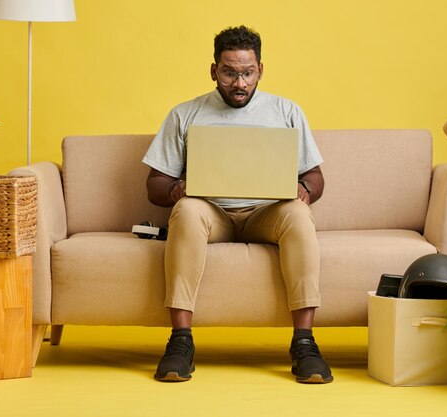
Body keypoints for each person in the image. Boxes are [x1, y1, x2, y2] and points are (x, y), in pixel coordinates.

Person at [142, 25, 331, 384]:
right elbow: (154, 184)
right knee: (187, 209)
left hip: (266, 214)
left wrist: (304, 189)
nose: (239, 83)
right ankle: (181, 342)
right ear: (214, 70)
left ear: (261, 69)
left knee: (298, 212)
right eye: (229, 72)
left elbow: (317, 177)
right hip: (212, 214)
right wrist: (176, 190)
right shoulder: (185, 114)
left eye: (247, 72)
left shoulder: (286, 111)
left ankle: (304, 343)